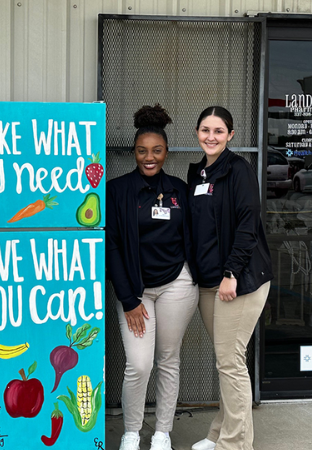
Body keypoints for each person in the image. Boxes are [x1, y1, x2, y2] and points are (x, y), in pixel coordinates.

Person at [107, 104, 198, 450]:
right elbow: (111, 247)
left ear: (166, 152)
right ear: (134, 153)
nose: (149, 157)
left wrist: (192, 273)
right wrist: (129, 299)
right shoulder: (118, 191)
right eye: (142, 151)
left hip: (178, 284)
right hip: (136, 292)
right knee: (139, 363)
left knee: (168, 360)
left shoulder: (179, 190)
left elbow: (193, 234)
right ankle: (132, 433)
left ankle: (162, 433)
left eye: (156, 151)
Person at [187, 106, 273, 450]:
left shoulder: (239, 170)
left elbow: (247, 226)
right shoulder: (197, 173)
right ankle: (218, 433)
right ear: (196, 132)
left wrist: (231, 274)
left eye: (218, 131)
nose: (211, 136)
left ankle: (235, 444)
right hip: (209, 281)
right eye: (205, 130)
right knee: (227, 361)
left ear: (231, 135)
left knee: (230, 362)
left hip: (240, 280)